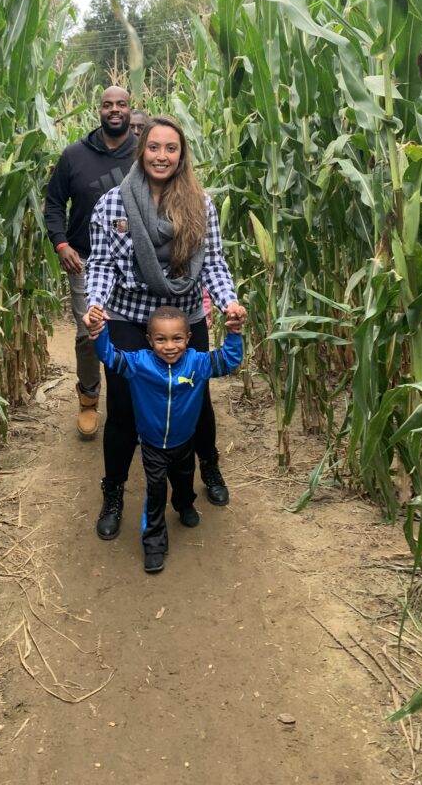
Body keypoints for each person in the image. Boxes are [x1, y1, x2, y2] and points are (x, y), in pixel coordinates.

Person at [83, 114, 247, 540]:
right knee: (121, 408)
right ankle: (114, 492)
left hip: (185, 315)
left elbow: (212, 263)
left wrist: (228, 302)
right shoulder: (113, 204)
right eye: (153, 147)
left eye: (170, 148)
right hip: (130, 317)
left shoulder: (200, 202)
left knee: (198, 400)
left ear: (181, 154)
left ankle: (208, 467)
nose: (161, 156)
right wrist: (96, 305)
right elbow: (100, 262)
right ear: (142, 150)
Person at [88, 303, 243, 573]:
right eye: (161, 339)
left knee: (184, 481)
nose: (169, 346)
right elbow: (108, 355)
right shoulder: (138, 364)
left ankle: (184, 505)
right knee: (156, 495)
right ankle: (154, 545)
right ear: (149, 340)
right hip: (152, 447)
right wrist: (99, 330)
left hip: (185, 443)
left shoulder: (198, 363)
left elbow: (229, 360)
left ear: (188, 338)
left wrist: (234, 332)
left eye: (177, 338)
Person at [43, 86, 135, 440]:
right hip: (83, 258)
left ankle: (129, 403)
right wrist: (61, 243)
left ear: (130, 109)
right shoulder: (74, 155)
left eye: (121, 105)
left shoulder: (142, 154)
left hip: (131, 261)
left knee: (130, 333)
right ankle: (89, 396)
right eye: (108, 105)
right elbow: (53, 204)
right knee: (88, 333)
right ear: (98, 110)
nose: (115, 110)